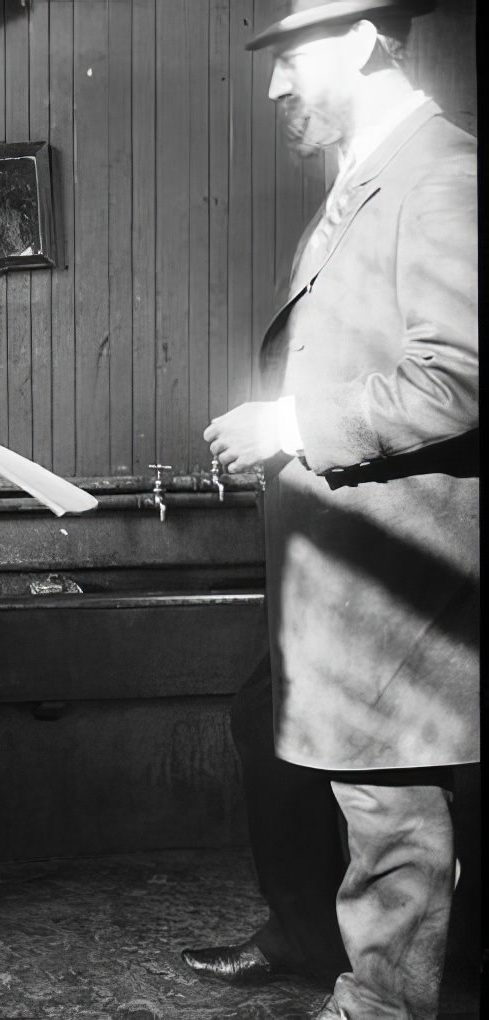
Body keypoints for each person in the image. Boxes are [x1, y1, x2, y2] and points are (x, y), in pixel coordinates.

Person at [189, 2, 478, 1018]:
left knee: (394, 830)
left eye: (289, 61)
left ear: (362, 42)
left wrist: (289, 424)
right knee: (289, 749)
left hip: (391, 601)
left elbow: (458, 380)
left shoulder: (441, 175)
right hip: (338, 587)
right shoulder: (369, 179)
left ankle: (376, 1006)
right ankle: (320, 949)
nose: (271, 87)